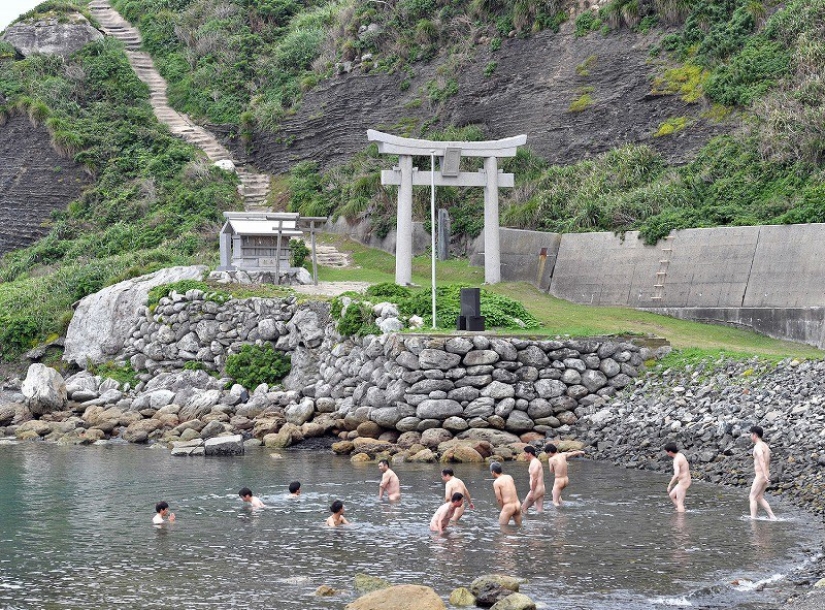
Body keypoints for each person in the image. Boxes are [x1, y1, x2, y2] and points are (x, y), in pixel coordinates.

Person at [750, 426, 777, 520]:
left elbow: (761, 459)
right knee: (759, 497)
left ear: (755, 435)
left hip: (761, 475)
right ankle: (772, 517)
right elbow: (768, 459)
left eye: (751, 434)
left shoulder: (758, 446)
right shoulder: (765, 445)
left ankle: (753, 519)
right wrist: (766, 474)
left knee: (752, 497)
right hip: (765, 474)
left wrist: (764, 475)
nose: (750, 436)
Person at [490, 461, 522, 526]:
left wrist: (503, 509)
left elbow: (499, 499)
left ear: (493, 472)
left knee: (503, 529)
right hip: (517, 505)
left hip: (508, 507)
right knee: (519, 527)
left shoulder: (496, 482)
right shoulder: (509, 477)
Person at [665, 442, 691, 513]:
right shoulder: (680, 455)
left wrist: (670, 485)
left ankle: (680, 520)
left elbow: (676, 475)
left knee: (679, 503)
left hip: (683, 482)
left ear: (670, 452)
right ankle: (682, 510)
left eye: (666, 452)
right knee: (672, 495)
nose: (666, 453)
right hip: (686, 480)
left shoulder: (676, 460)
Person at [521, 445, 546, 514]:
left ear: (529, 454)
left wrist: (532, 492)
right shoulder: (536, 462)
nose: (524, 455)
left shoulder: (534, 463)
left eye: (525, 453)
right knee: (540, 510)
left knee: (523, 508)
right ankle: (541, 523)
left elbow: (534, 479)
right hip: (541, 489)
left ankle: (528, 524)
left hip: (536, 489)